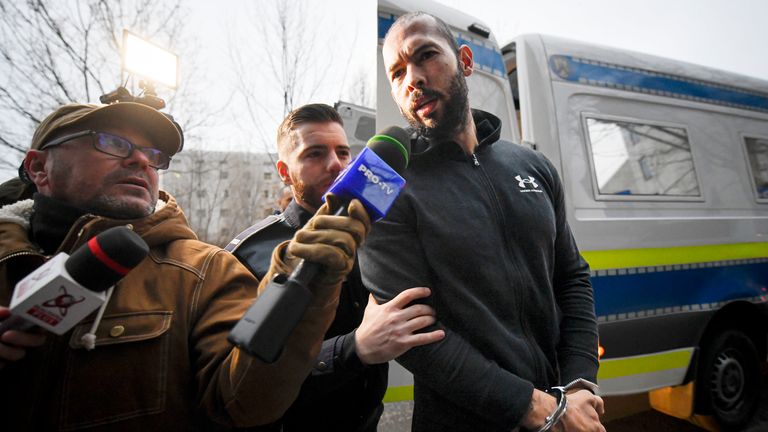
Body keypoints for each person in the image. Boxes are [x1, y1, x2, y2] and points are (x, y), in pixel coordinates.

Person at [0, 102, 369, 430]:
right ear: (39, 167)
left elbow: (244, 401)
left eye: (153, 153)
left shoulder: (208, 271)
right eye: (112, 143)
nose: (141, 160)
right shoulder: (246, 250)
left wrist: (306, 286)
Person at [359, 12, 605, 432]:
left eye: (426, 56)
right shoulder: (382, 181)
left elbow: (572, 278)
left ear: (465, 61)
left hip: (563, 410)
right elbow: (414, 337)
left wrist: (579, 385)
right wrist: (535, 407)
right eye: (397, 73)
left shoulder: (532, 164)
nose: (412, 79)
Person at [227, 103, 445, 431]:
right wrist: (353, 349)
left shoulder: (375, 236)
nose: (336, 165)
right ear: (285, 171)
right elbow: (240, 377)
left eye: (343, 153)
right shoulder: (246, 255)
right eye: (315, 154)